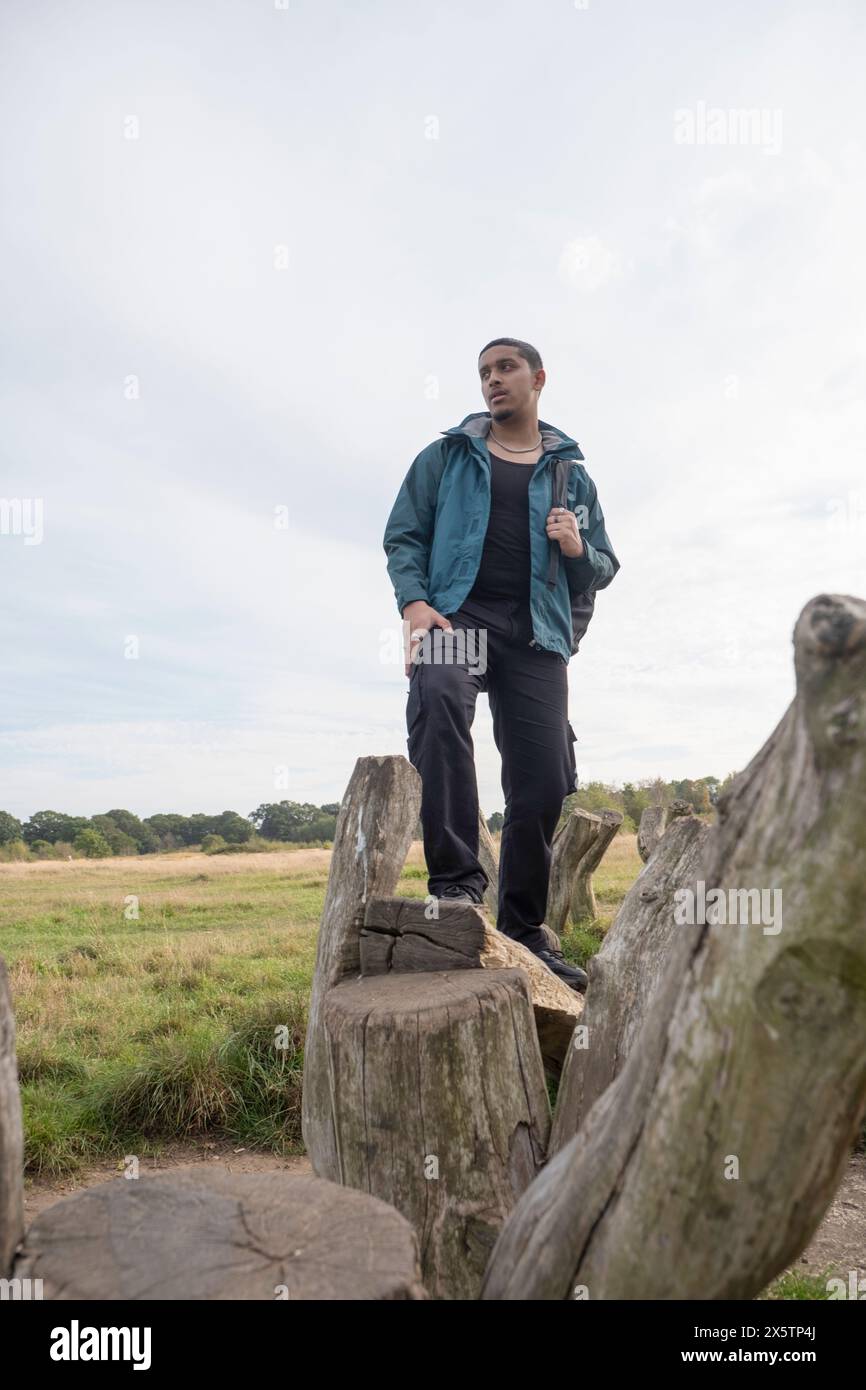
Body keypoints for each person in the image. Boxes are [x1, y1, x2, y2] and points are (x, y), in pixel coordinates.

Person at [382, 337, 620, 992]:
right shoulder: (446, 458)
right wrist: (416, 603)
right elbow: (404, 534)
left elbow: (603, 566)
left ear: (538, 378)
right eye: (484, 371)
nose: (493, 380)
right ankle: (456, 889)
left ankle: (522, 927)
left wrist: (576, 547)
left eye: (506, 368)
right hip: (462, 619)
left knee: (543, 780)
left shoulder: (572, 475)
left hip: (537, 637)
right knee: (439, 689)